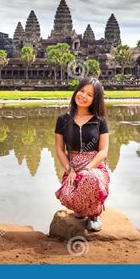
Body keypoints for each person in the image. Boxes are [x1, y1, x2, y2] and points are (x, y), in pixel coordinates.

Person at [54, 76, 110, 231]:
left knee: (90, 177)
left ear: (95, 100)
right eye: (82, 91)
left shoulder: (99, 121)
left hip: (95, 167)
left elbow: (103, 151)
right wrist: (70, 170)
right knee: (67, 195)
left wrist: (87, 168)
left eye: (90, 95)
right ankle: (81, 208)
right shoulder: (63, 119)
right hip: (72, 167)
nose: (83, 96)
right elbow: (59, 148)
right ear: (76, 91)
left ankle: (94, 213)